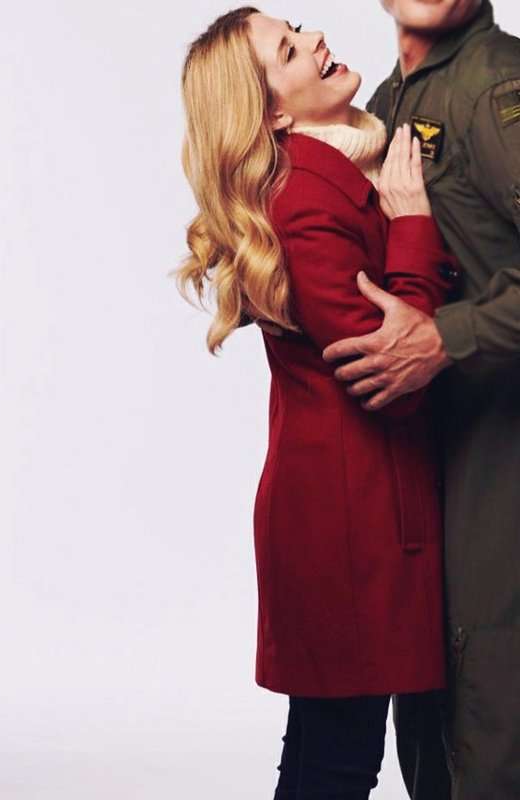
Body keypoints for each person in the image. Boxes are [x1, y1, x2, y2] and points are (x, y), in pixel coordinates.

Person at [174, 7, 458, 798]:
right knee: (339, 759)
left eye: (298, 28)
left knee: (340, 749)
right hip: (348, 524)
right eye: (290, 50)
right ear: (270, 111)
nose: (316, 40)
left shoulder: (344, 162)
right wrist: (413, 224)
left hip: (357, 509)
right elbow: (388, 375)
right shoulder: (304, 199)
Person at [318, 2, 520, 797]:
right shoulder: (386, 100)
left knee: (489, 706)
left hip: (500, 454)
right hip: (426, 452)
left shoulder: (496, 86)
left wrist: (447, 338)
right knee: (430, 717)